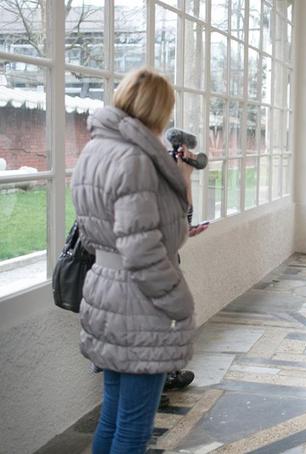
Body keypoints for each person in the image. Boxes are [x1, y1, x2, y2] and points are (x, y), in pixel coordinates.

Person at [72, 67, 196, 454]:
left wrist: (179, 179)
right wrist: (178, 300)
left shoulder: (96, 148)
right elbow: (140, 249)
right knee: (134, 427)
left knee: (113, 414)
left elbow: (109, 230)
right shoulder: (135, 158)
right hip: (138, 301)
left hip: (105, 289)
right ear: (158, 109)